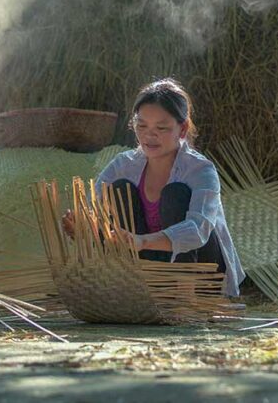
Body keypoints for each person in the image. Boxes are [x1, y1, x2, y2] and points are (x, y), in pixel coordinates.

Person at [63, 78, 245, 297]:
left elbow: (198, 230)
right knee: (120, 190)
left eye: (161, 128)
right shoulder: (123, 165)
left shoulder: (201, 170)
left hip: (202, 276)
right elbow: (95, 207)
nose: (150, 135)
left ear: (183, 128)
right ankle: (139, 289)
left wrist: (143, 241)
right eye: (142, 126)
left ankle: (184, 299)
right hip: (150, 273)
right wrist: (85, 228)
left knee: (175, 194)